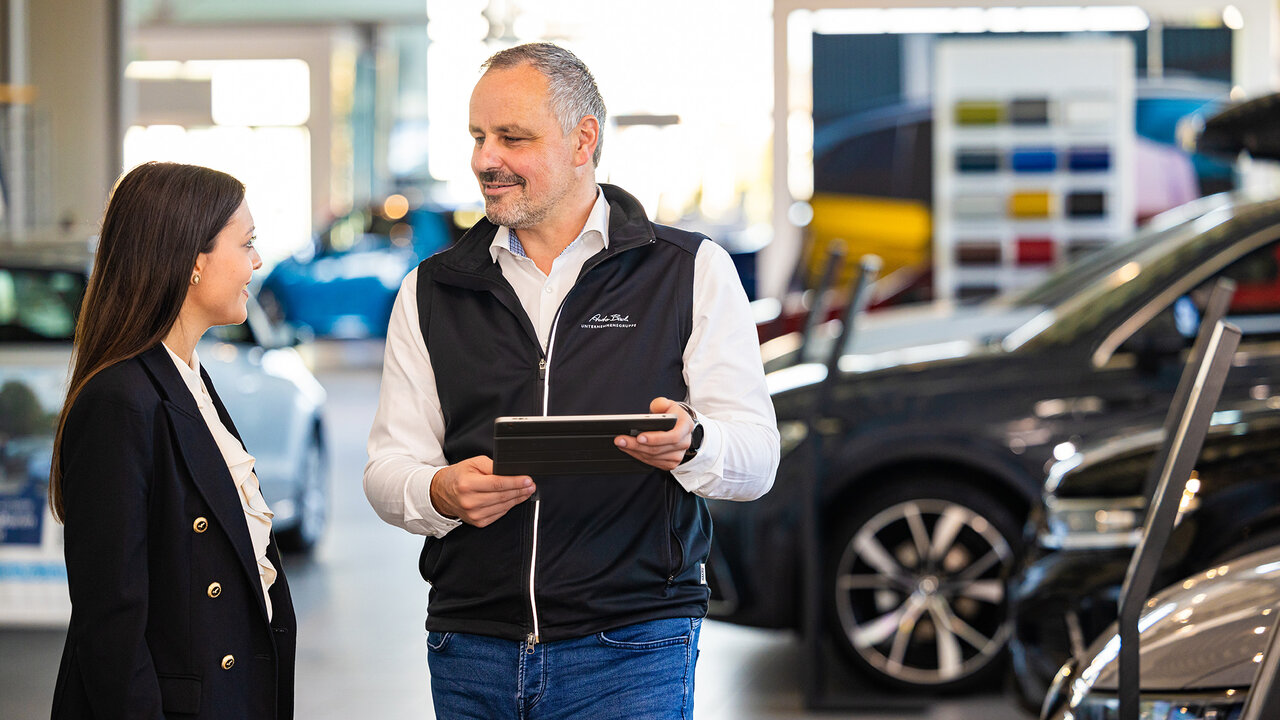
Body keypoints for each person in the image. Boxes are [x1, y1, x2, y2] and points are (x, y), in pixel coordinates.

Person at [364, 42, 779, 718]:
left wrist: (693, 444)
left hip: (631, 648)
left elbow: (757, 459)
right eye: (477, 137)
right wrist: (436, 490)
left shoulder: (689, 271)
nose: (484, 160)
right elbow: (388, 469)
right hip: (470, 647)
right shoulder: (432, 290)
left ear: (583, 139)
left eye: (511, 137)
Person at [49, 162, 296, 719]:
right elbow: (112, 620)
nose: (257, 261)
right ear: (191, 261)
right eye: (247, 243)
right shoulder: (119, 400)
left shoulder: (186, 376)